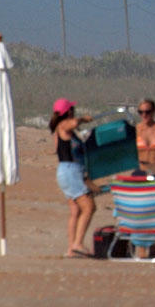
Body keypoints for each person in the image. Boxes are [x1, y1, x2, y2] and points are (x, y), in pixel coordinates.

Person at [49, 98, 95, 258]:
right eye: (72, 110)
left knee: (75, 211)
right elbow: (73, 123)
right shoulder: (63, 126)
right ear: (68, 112)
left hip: (66, 171)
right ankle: (78, 243)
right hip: (70, 170)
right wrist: (84, 119)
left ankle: (71, 249)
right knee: (89, 207)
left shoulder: (59, 130)